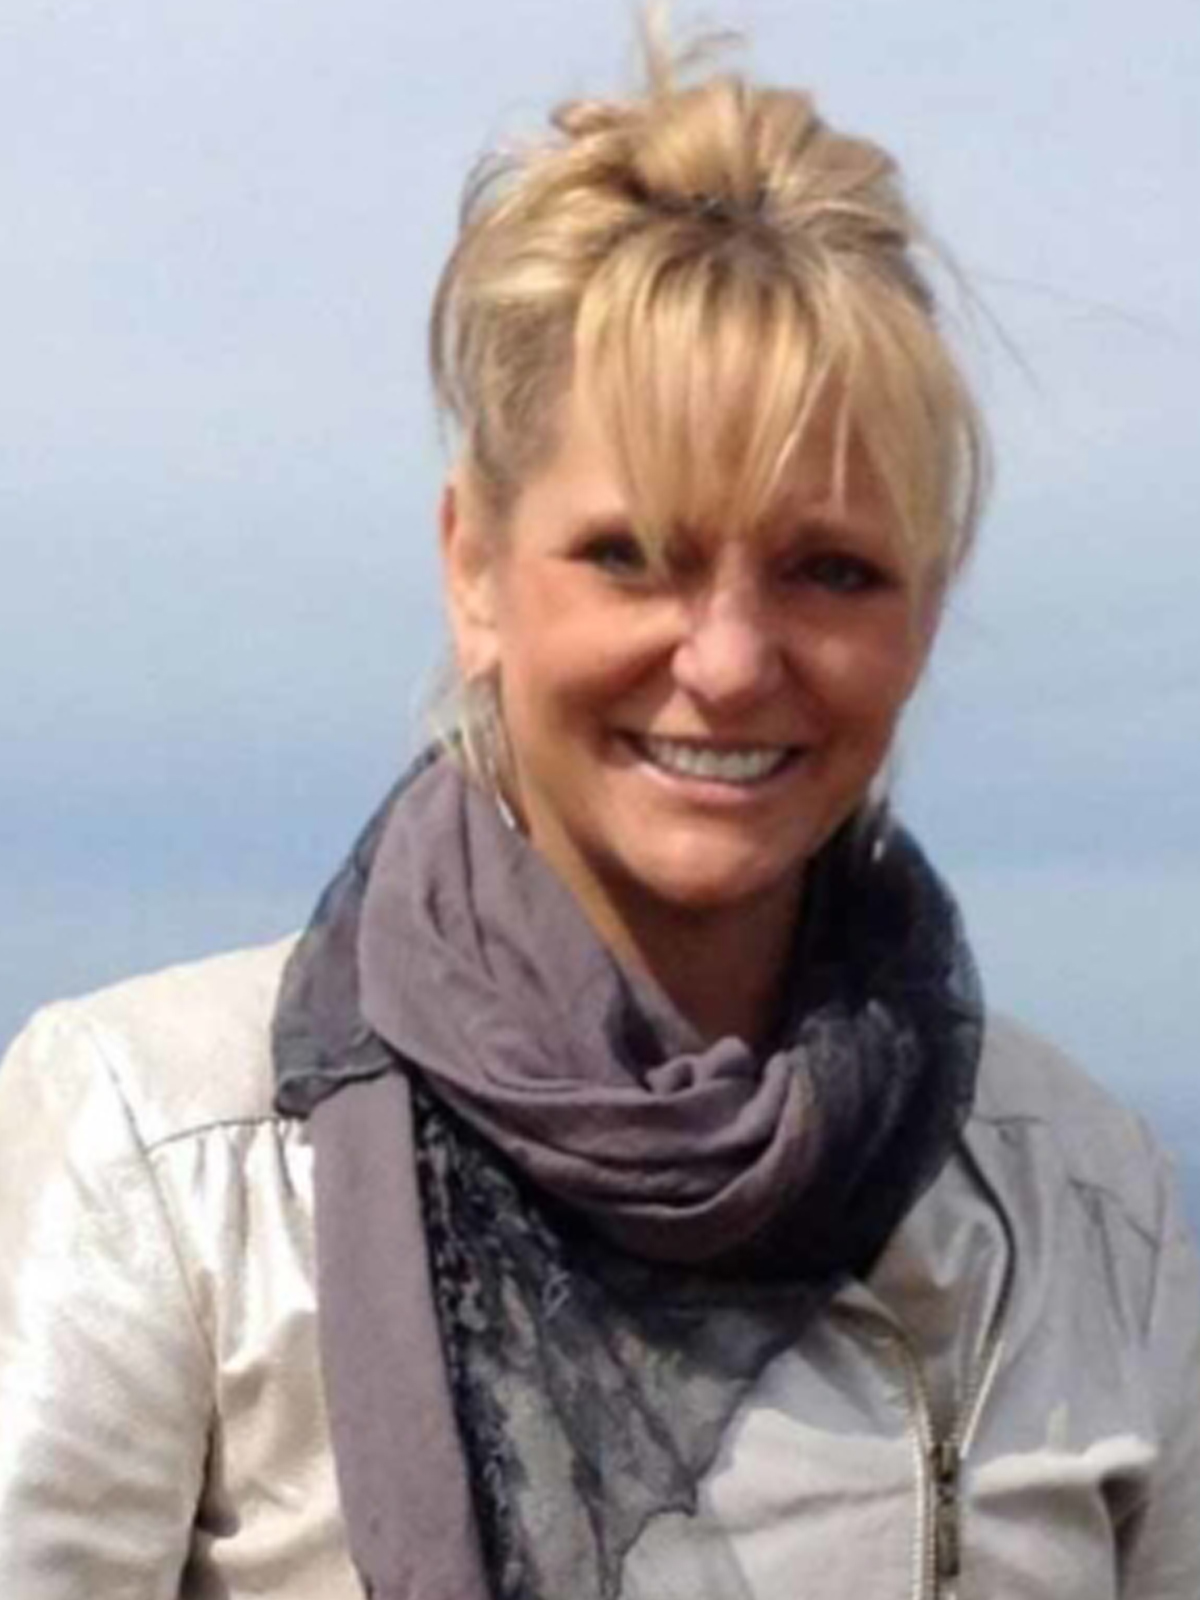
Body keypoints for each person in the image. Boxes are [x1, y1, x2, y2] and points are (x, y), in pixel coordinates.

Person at [1, 22, 1198, 1600]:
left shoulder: (1079, 1199)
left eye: (831, 570)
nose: (730, 662)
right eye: (633, 557)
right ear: (474, 570)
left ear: (925, 610)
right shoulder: (163, 1156)